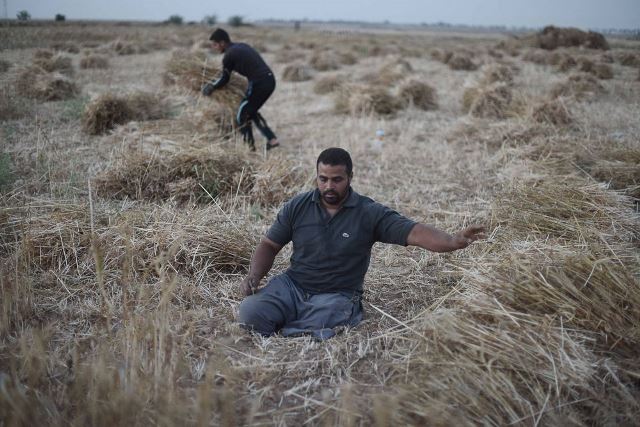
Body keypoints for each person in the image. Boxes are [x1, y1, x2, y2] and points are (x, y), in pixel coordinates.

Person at [238, 147, 486, 340]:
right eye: (323, 179)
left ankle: (292, 325)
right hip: (293, 286)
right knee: (250, 312)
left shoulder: (369, 212)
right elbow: (269, 244)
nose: (329, 186)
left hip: (336, 295)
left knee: (330, 316)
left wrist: (453, 241)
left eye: (337, 179)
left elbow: (415, 232)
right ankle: (294, 321)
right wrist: (254, 274)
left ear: (350, 177)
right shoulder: (298, 206)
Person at [201, 28, 279, 152]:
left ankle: (250, 148)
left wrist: (211, 86)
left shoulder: (229, 55)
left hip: (259, 83)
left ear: (222, 43)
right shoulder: (241, 46)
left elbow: (224, 78)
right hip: (269, 80)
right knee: (250, 111)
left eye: (215, 44)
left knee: (242, 115)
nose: (214, 47)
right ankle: (272, 139)